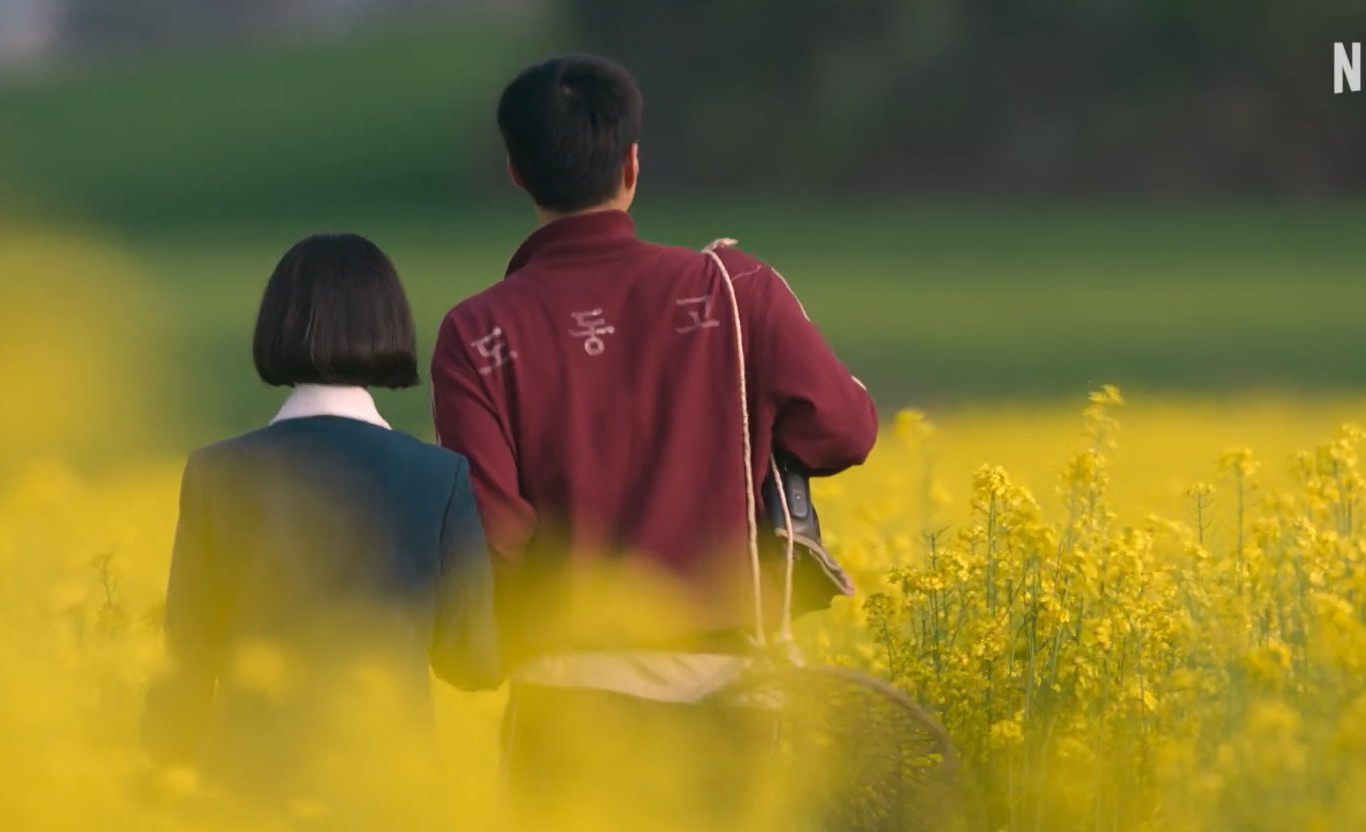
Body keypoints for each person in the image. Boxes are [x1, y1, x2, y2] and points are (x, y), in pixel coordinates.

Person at [429, 54, 879, 815]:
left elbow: (493, 532)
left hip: (566, 701)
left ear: (515, 171)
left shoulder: (478, 333)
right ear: (632, 162)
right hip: (732, 698)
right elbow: (847, 433)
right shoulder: (737, 293)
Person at [145, 232, 501, 799]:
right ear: (390, 326)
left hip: (247, 795)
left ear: (277, 326)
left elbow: (186, 665)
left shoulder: (216, 474)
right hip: (389, 794)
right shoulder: (440, 477)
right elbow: (474, 664)